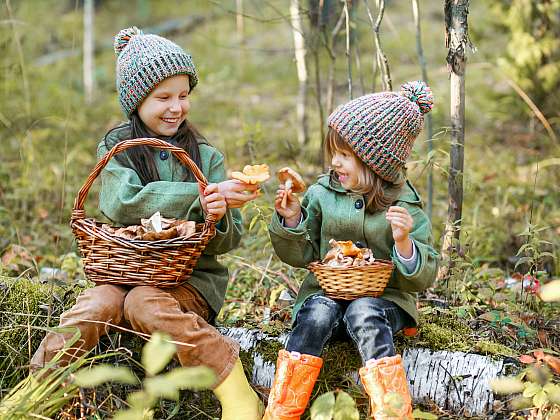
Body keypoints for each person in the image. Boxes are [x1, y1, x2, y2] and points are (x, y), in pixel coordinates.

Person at [31, 27, 262, 420]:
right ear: (136, 101)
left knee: (143, 301)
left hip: (189, 283)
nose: (176, 107)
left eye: (184, 95)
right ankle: (40, 386)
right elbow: (121, 204)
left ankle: (236, 390)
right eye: (163, 97)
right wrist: (196, 196)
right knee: (99, 302)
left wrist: (218, 215)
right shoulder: (118, 149)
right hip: (121, 274)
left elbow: (229, 241)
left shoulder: (206, 158)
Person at [264, 81, 439, 419]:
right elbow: (302, 254)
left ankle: (393, 410)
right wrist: (292, 220)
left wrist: (404, 242)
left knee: (363, 312)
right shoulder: (322, 195)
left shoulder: (404, 206)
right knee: (316, 313)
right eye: (335, 153)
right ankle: (282, 409)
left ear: (376, 163)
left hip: (384, 303)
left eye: (345, 155)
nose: (335, 163)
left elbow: (424, 275)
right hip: (327, 296)